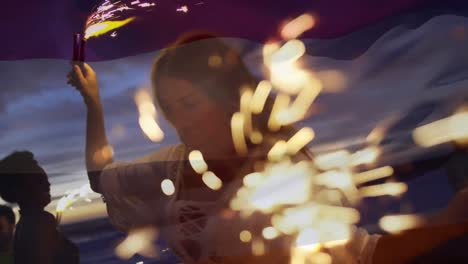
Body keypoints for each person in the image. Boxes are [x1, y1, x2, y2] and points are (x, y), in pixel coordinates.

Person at [68, 33, 468, 263]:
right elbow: (101, 179)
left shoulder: (283, 167)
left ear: (229, 98)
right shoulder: (174, 164)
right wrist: (94, 104)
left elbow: (350, 255)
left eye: (189, 104)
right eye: (169, 109)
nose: (179, 122)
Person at [0, 151, 79, 264]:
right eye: (39, 180)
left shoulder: (24, 226)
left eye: (46, 178)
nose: (48, 184)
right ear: (19, 189)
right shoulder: (39, 223)